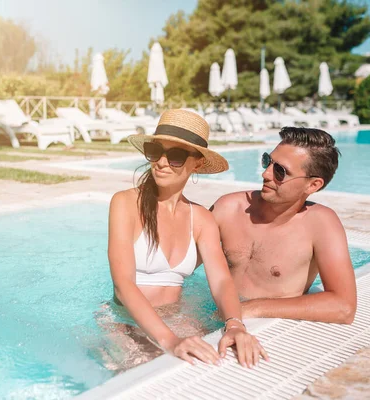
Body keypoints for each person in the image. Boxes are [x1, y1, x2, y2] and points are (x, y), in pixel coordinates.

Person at [107, 109, 268, 369]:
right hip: (126, 323)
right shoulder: (125, 203)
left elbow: (221, 280)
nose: (161, 162)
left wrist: (235, 324)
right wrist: (169, 341)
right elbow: (123, 286)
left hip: (177, 319)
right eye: (155, 151)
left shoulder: (201, 218)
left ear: (198, 163)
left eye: (176, 156)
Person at [209, 127, 357, 324]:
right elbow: (178, 265)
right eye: (267, 162)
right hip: (214, 313)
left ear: (312, 185)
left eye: (280, 171)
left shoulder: (321, 224)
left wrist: (249, 309)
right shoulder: (228, 208)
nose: (265, 174)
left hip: (258, 324)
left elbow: (343, 307)